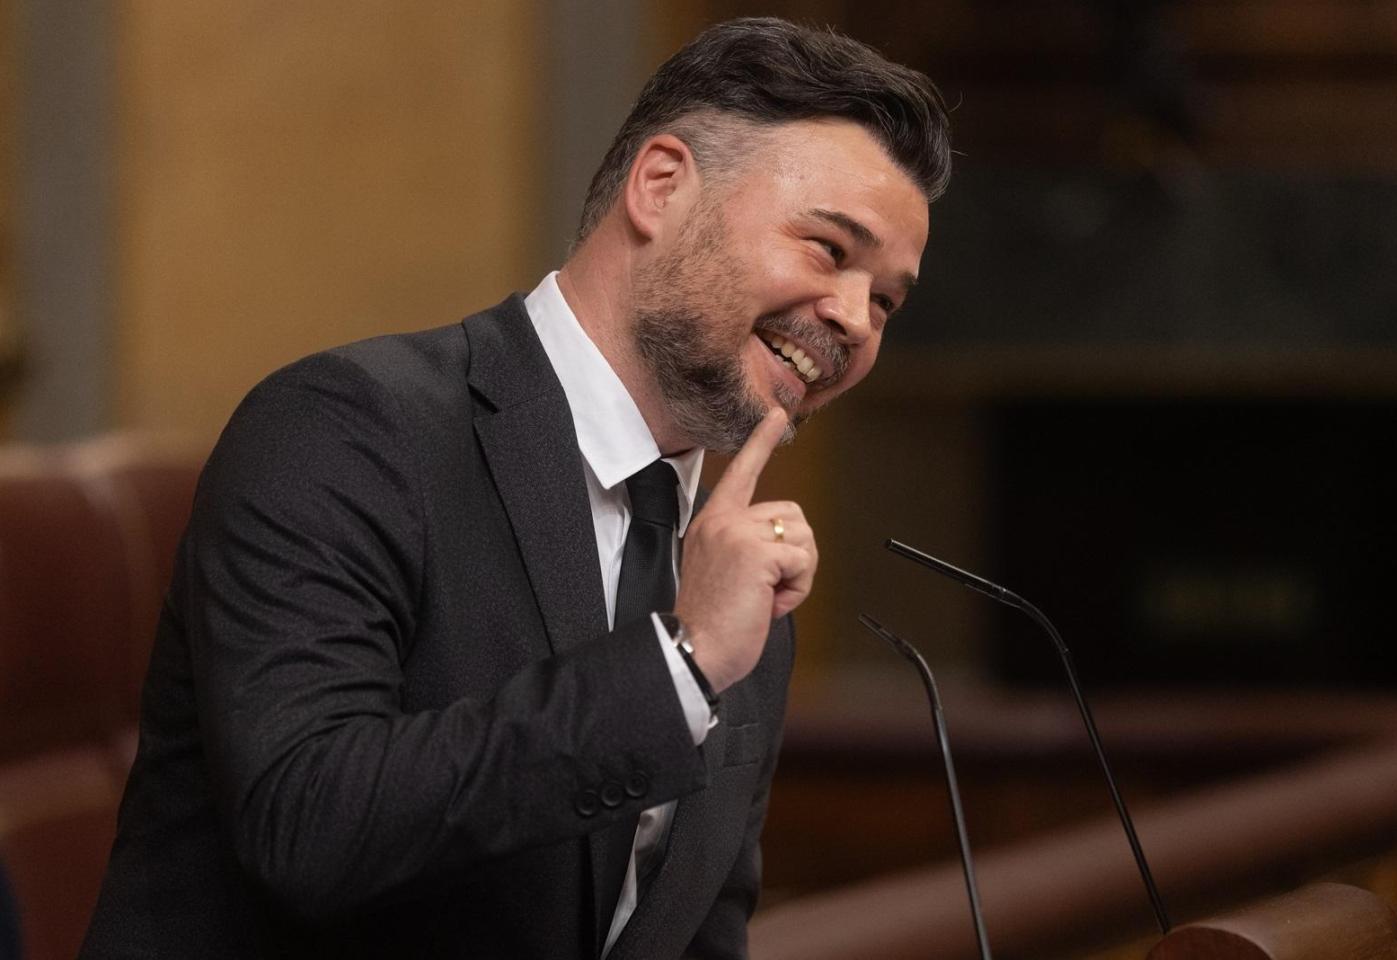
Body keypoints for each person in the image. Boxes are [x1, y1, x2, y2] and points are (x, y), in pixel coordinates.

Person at [80, 17, 949, 959]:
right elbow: (308, 823)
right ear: (661, 186)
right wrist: (684, 665)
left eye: (888, 300)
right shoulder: (345, 426)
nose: (856, 322)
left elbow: (702, 931)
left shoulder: (736, 558)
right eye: (829, 249)